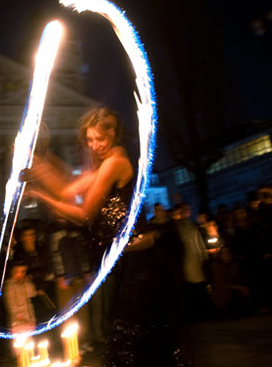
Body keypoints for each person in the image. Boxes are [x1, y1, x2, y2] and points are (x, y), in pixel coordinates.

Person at [25, 107, 177, 365]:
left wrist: (41, 196)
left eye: (101, 139)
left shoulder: (115, 163)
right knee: (128, 337)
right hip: (123, 260)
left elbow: (85, 215)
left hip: (138, 262)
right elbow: (67, 189)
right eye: (90, 140)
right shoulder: (104, 165)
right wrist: (40, 163)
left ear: (114, 135)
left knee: (132, 339)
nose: (95, 146)